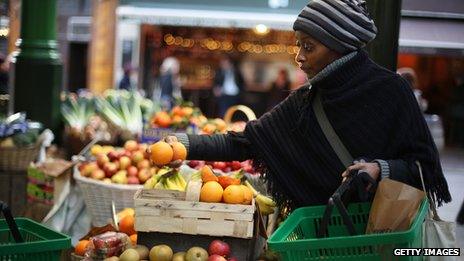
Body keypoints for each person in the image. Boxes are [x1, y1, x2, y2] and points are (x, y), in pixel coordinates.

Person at [166, 0, 451, 211]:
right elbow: (245, 141)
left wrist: (380, 169)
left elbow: (425, 169)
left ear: (339, 46)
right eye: (298, 45)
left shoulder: (392, 91)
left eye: (309, 47)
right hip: (323, 236)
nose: (299, 57)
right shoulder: (305, 100)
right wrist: (180, 143)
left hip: (385, 233)